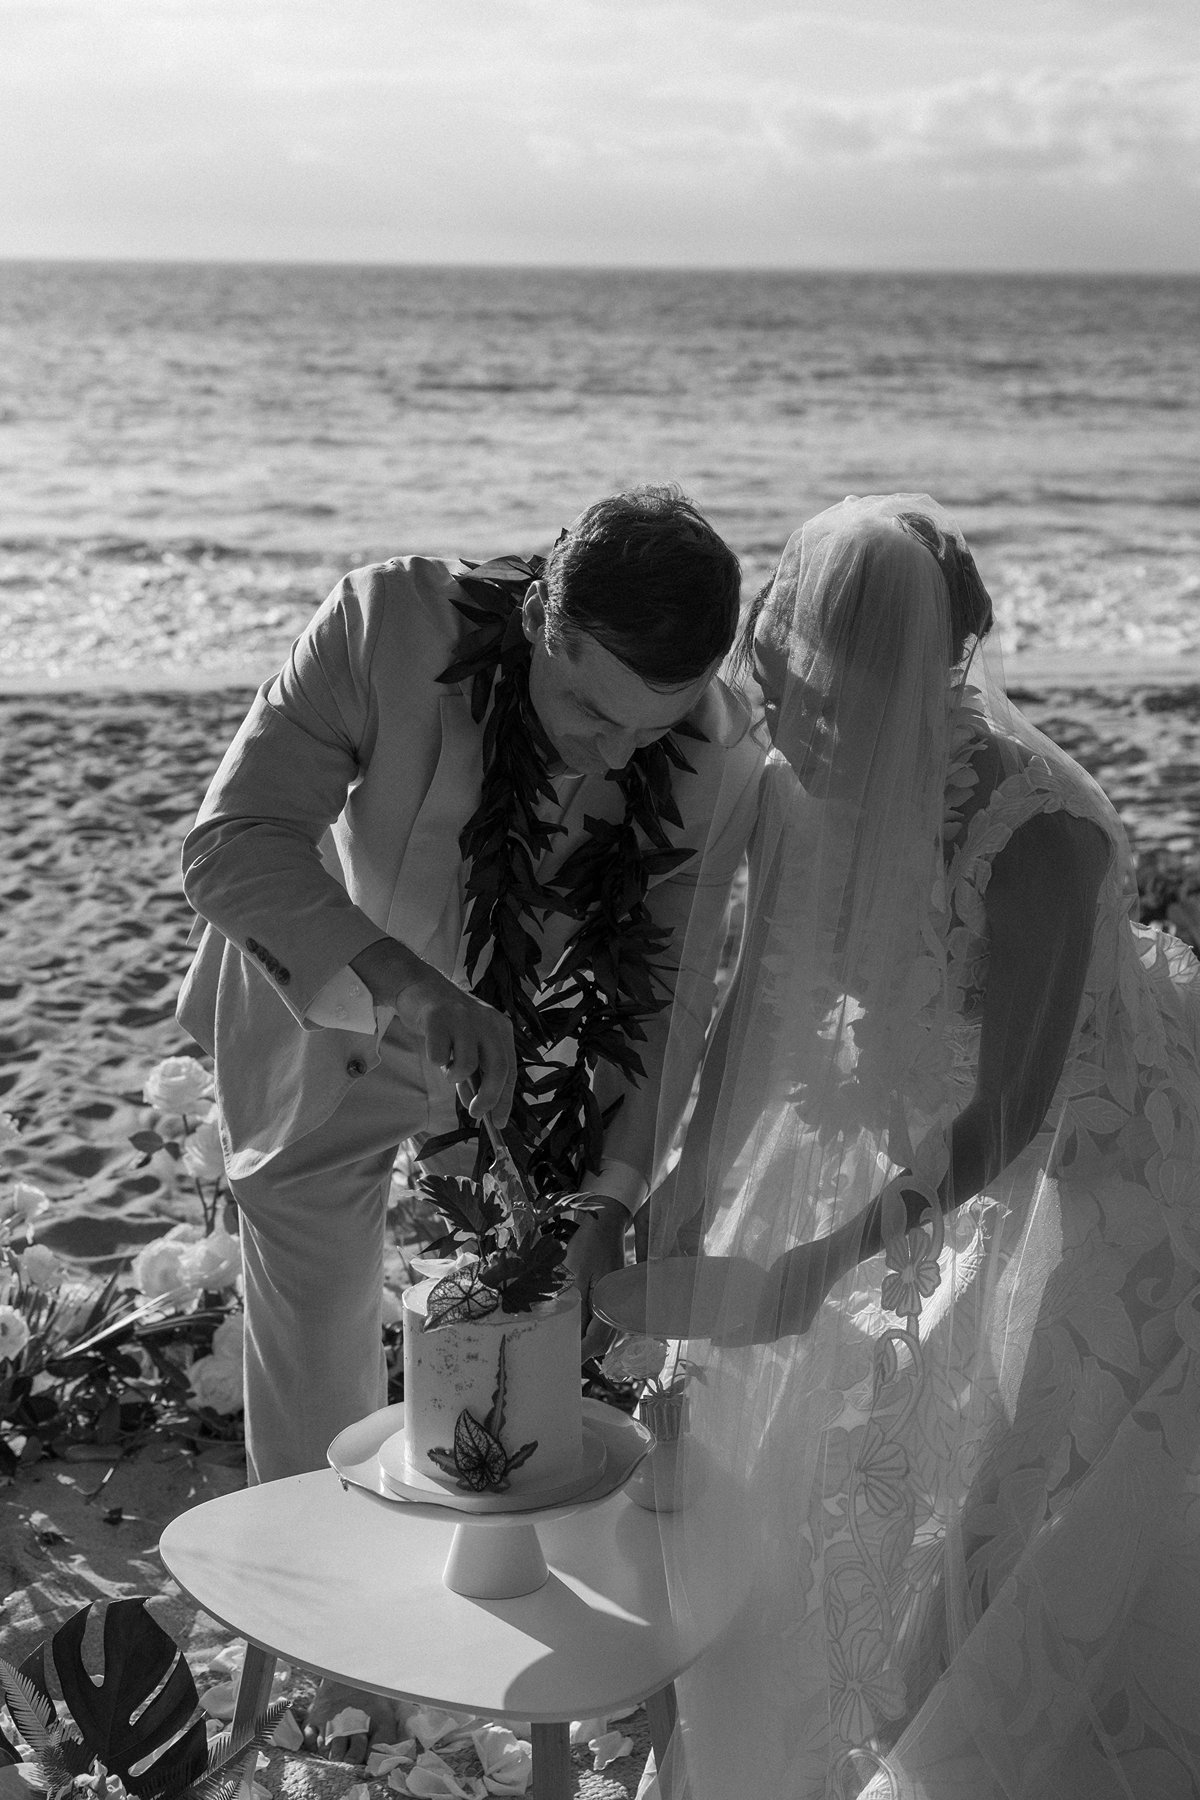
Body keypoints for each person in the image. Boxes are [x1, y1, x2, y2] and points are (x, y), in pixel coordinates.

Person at [640, 494, 1200, 1797]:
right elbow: (758, 999)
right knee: (898, 1474)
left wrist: (819, 1262)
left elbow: (1014, 1111)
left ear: (885, 680)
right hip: (963, 1176)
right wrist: (679, 1184)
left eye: (798, 689)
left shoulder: (1037, 825)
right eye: (766, 681)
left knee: (1040, 1486)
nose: (772, 715)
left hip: (1118, 1182)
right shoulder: (800, 784)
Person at [176, 487, 763, 1484]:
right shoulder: (384, 626)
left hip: (536, 1063)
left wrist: (610, 1203)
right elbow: (231, 846)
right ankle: (317, 1611)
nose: (616, 752)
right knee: (314, 1388)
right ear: (539, 616)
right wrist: (417, 990)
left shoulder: (715, 752)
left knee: (512, 1390)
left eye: (647, 732)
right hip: (327, 1020)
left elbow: (669, 992)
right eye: (590, 710)